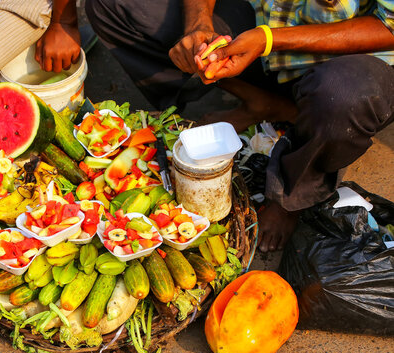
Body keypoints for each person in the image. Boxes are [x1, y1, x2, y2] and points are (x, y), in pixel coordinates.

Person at [85, 0, 394, 252]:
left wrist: (268, 40)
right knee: (115, 4)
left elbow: (388, 24)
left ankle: (292, 196)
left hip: (347, 64)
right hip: (260, 33)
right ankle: (264, 102)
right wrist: (199, 25)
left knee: (345, 96)